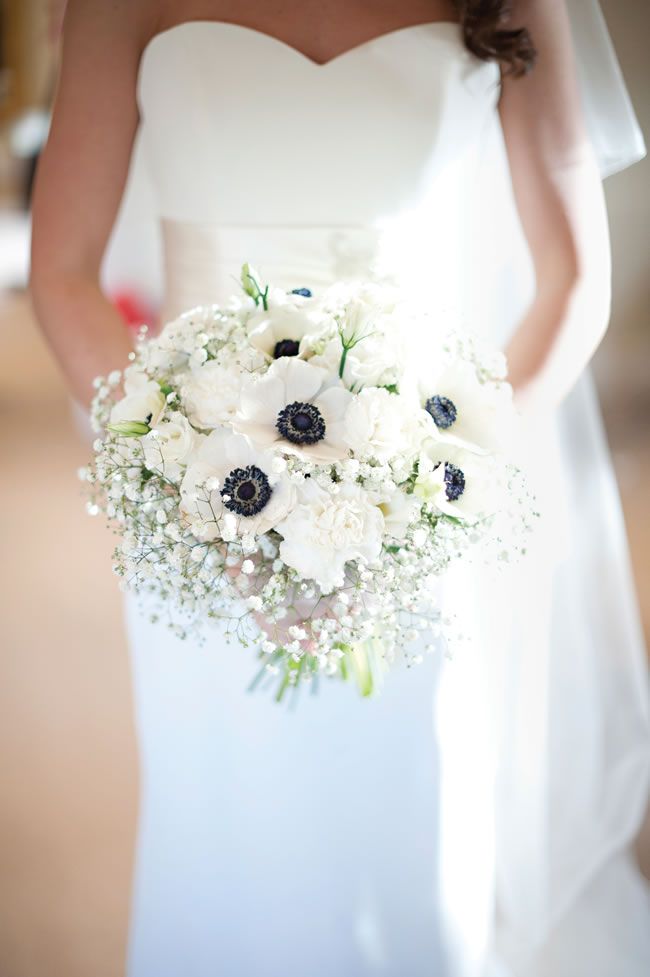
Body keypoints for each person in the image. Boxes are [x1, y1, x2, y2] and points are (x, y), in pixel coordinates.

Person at [29, 1, 650, 974]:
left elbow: (571, 282)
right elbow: (61, 271)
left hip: (412, 510)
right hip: (201, 512)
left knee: (406, 822)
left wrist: (440, 485)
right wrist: (182, 483)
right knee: (228, 829)